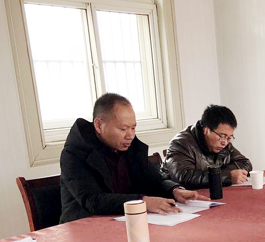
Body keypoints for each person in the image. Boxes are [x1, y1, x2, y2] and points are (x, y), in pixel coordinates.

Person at [60, 93, 208, 223]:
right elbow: (93, 200)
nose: (130, 135)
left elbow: (155, 180)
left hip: (129, 221)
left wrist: (174, 190)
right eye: (123, 129)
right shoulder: (74, 154)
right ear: (99, 125)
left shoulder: (130, 148)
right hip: (86, 227)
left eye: (133, 128)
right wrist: (142, 202)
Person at [161, 104, 252, 188]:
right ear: (206, 130)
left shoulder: (223, 142)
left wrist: (222, 173)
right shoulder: (180, 143)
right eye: (222, 136)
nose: (225, 142)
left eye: (229, 137)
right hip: (177, 197)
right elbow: (184, 177)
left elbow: (245, 163)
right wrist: (226, 176)